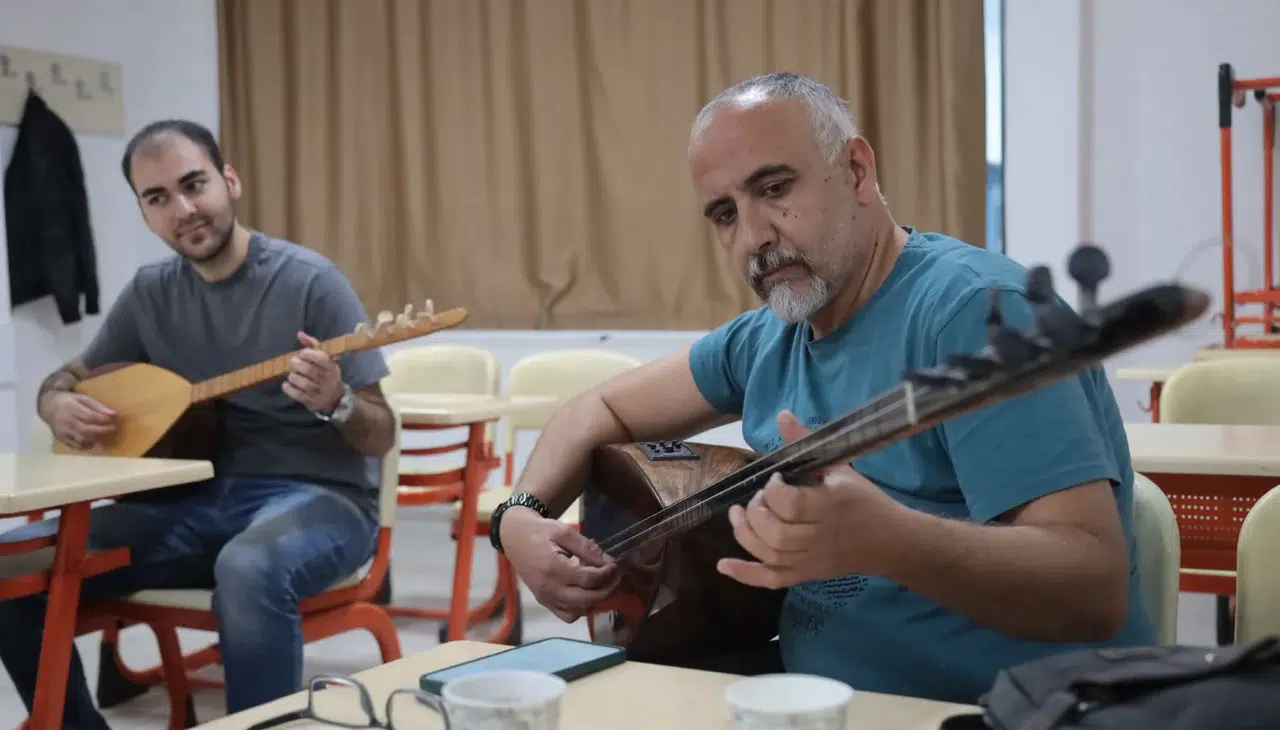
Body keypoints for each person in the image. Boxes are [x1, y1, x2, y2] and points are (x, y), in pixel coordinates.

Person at [490, 72, 1156, 705]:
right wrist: (517, 517)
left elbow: (1092, 588)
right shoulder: (771, 336)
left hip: (998, 707)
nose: (753, 237)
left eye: (775, 188)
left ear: (858, 170)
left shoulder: (976, 314)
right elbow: (599, 408)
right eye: (725, 214)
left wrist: (891, 541)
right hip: (811, 696)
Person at [0, 119, 397, 728]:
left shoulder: (310, 282)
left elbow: (382, 431)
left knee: (248, 567)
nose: (183, 209)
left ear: (229, 180)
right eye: (158, 197)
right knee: (11, 561)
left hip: (322, 501)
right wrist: (54, 402)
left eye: (194, 185)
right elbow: (67, 377)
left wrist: (337, 399)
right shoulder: (150, 294)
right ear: (144, 213)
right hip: (187, 505)